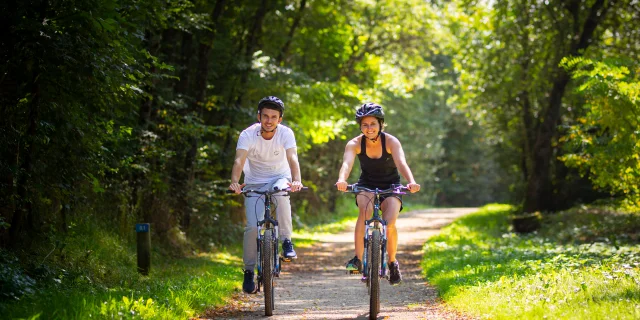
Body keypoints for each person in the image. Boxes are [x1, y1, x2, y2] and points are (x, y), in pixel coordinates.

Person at [335, 102, 420, 285]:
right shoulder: (355, 144)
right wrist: (342, 179)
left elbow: (401, 163)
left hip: (391, 185)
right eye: (365, 125)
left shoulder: (390, 141)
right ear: (360, 126)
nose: (369, 128)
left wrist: (411, 181)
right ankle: (358, 259)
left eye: (373, 124)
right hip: (367, 184)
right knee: (364, 213)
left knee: (389, 222)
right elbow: (347, 164)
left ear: (381, 124)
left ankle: (392, 262)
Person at [228, 96, 304, 294]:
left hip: (280, 177)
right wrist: (235, 182)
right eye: (265, 116)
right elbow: (239, 160)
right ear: (259, 116)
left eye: (274, 117)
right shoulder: (247, 134)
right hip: (254, 182)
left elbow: (292, 157)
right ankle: (248, 270)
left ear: (280, 119)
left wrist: (296, 179)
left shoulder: (286, 133)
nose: (269, 120)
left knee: (281, 193)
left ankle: (286, 240)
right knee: (252, 226)